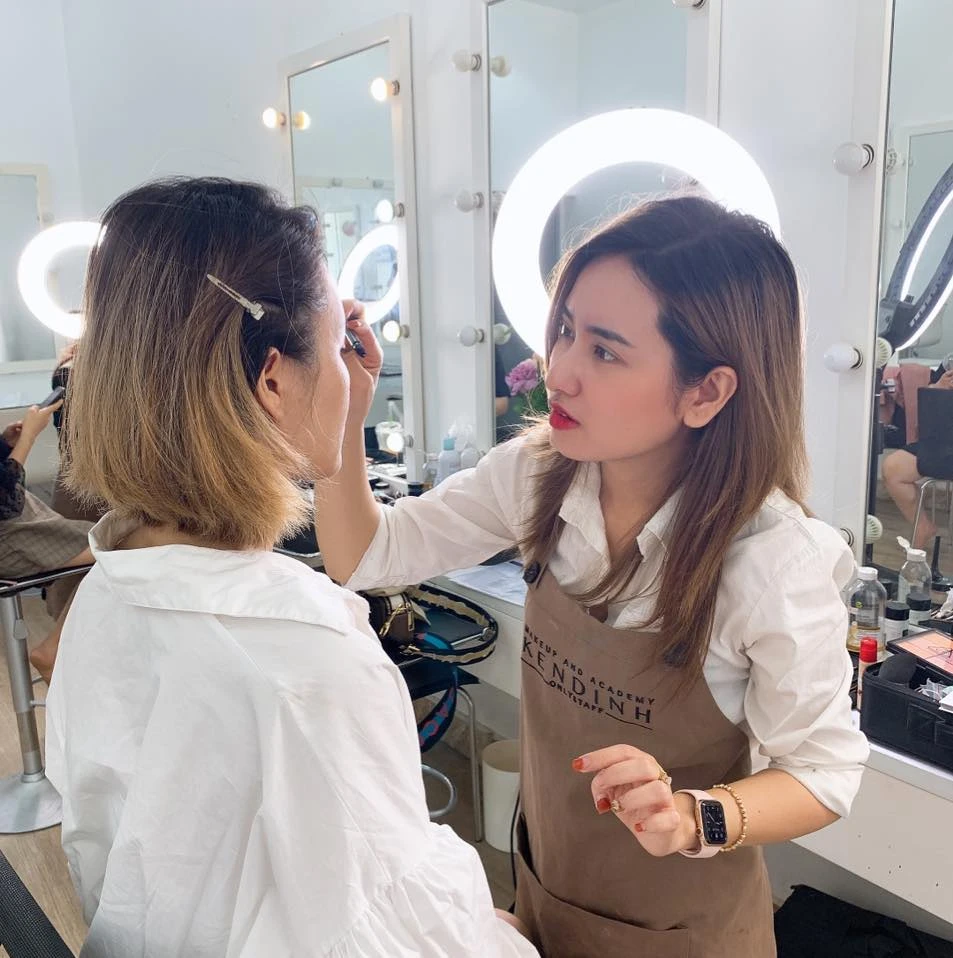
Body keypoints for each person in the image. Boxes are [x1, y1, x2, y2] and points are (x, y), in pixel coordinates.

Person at [316, 194, 869, 957]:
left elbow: (824, 772)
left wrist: (693, 816)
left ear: (706, 391)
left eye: (604, 351)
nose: (561, 373)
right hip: (545, 891)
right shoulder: (537, 476)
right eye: (566, 330)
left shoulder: (770, 562)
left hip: (682, 936)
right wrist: (343, 413)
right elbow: (364, 555)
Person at [45, 177, 537, 958]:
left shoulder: (109, 586)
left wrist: (340, 404)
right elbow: (393, 932)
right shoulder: (302, 655)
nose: (348, 367)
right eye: (336, 347)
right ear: (273, 380)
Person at [0, 401, 92, 682]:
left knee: (117, 542)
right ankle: (54, 648)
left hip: (15, 528)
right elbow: (4, 499)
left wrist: (5, 444)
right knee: (121, 548)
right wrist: (28, 438)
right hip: (10, 538)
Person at [882, 363, 953, 551]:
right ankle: (922, 527)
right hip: (944, 442)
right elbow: (931, 409)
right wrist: (938, 388)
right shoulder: (949, 364)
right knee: (894, 468)